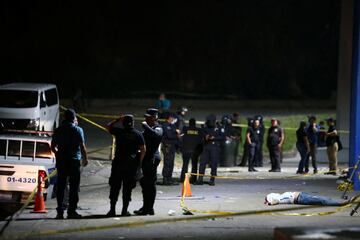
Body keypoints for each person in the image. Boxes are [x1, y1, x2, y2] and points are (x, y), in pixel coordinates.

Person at [106, 114, 146, 217]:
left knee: (115, 187)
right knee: (127, 188)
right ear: (133, 123)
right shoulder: (138, 134)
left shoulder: (119, 132)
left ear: (123, 123)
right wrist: (139, 163)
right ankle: (124, 211)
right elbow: (143, 150)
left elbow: (108, 126)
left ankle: (112, 210)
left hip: (118, 163)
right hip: (131, 164)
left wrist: (117, 119)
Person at [51, 108, 88, 219]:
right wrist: (85, 158)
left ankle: (60, 212)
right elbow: (82, 146)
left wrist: (58, 155)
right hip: (74, 162)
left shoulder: (58, 130)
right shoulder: (78, 130)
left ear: (64, 118)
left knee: (61, 186)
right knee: (74, 187)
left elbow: (53, 147)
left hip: (62, 162)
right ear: (74, 118)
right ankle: (71, 211)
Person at [134, 108, 163, 216]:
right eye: (145, 117)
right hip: (145, 158)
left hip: (152, 158)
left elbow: (156, 135)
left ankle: (149, 208)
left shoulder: (158, 128)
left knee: (150, 184)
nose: (146, 119)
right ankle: (146, 207)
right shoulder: (148, 129)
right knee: (144, 184)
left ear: (155, 117)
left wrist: (145, 126)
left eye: (148, 117)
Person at [195, 114, 225, 186]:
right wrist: (206, 137)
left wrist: (214, 138)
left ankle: (212, 179)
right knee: (203, 163)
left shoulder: (219, 128)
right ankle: (200, 178)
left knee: (214, 163)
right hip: (206, 146)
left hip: (215, 147)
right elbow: (201, 136)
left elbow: (222, 137)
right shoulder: (205, 128)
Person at [179, 118, 203, 183]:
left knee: (185, 165)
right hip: (195, 151)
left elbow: (181, 138)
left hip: (186, 150)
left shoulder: (185, 129)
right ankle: (193, 179)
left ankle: (183, 179)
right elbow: (201, 141)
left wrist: (181, 148)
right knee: (194, 166)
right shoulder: (199, 130)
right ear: (195, 123)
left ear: (189, 123)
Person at [160, 113, 179, 185]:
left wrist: (177, 135)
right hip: (167, 146)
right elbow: (169, 135)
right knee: (167, 162)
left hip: (173, 146)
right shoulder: (165, 125)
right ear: (170, 118)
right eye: (173, 118)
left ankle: (169, 178)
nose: (174, 120)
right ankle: (165, 179)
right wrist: (176, 135)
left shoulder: (172, 125)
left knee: (171, 163)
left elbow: (174, 135)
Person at [265, 192, 353, 206]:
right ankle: (341, 203)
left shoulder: (278, 196)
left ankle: (339, 202)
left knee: (321, 198)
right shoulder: (277, 199)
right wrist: (270, 203)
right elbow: (275, 201)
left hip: (301, 195)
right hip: (300, 198)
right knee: (321, 200)